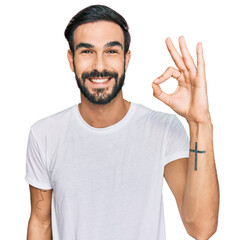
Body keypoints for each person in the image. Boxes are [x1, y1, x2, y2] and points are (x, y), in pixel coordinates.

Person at [25, 4, 219, 240]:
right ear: (71, 59)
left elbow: (201, 228)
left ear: (127, 59)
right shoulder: (45, 134)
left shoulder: (163, 129)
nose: (99, 66)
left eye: (111, 51)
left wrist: (200, 122)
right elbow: (40, 224)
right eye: (87, 51)